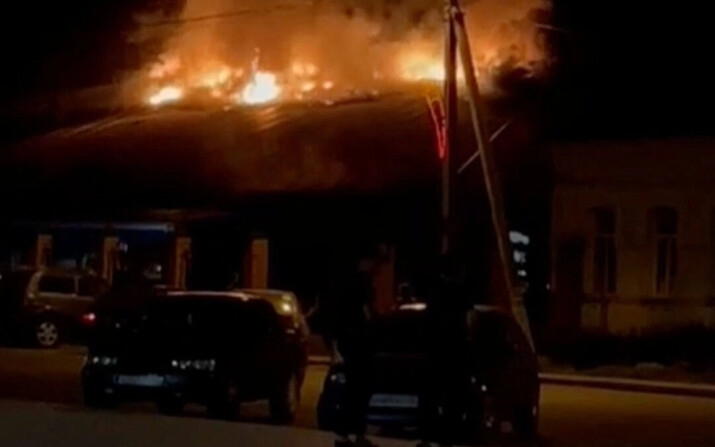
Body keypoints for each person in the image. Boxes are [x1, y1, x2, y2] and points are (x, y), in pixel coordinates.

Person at [320, 265, 378, 447]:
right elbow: (367, 313)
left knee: (354, 390)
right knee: (357, 391)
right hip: (358, 346)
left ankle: (350, 433)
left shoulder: (344, 286)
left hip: (351, 344)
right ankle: (347, 433)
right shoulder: (361, 285)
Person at [417, 255, 471, 447]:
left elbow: (427, 326)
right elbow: (463, 327)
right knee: (452, 399)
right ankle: (445, 436)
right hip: (452, 356)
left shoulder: (435, 294)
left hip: (436, 354)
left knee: (432, 397)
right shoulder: (458, 296)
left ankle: (428, 436)